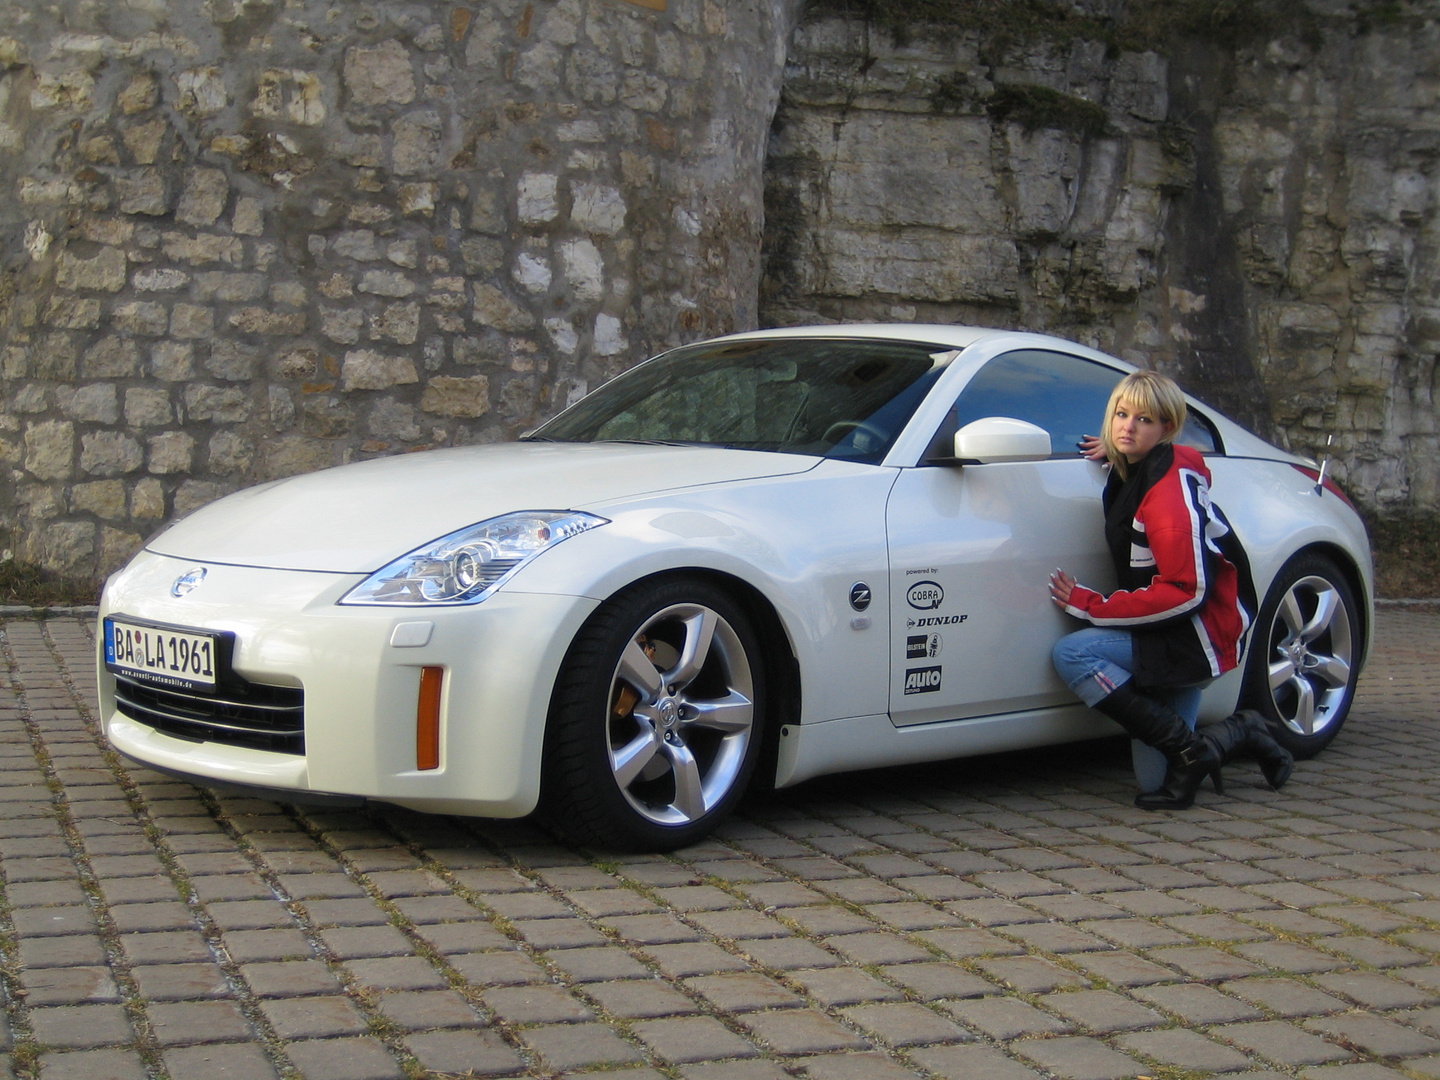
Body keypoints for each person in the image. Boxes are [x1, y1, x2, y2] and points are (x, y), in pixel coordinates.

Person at [1048, 369, 1293, 810]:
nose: (1128, 426)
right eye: (1121, 415)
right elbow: (1144, 448)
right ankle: (1239, 732)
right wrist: (1122, 452)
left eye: (1144, 420)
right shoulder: (1148, 464)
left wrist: (1091, 605)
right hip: (1173, 630)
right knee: (1153, 780)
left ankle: (1191, 747)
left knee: (1073, 654)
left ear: (1167, 429)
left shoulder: (1166, 497)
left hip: (1193, 634)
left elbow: (1187, 590)